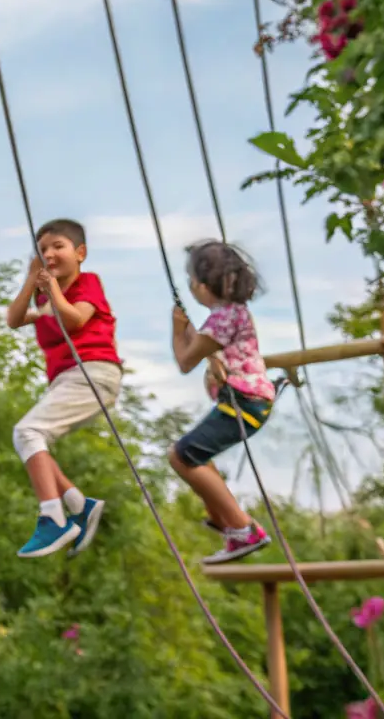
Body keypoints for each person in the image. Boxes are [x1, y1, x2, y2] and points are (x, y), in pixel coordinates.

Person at [5, 219, 123, 558]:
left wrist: (51, 289)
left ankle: (53, 517)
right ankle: (77, 504)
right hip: (70, 378)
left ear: (80, 253)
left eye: (58, 246)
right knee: (33, 439)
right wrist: (31, 280)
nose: (50, 254)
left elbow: (76, 319)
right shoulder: (44, 301)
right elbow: (13, 319)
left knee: (27, 432)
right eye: (43, 250)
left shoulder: (88, 283)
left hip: (92, 373)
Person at [169, 239, 275, 564]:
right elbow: (204, 349)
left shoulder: (222, 319)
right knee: (195, 454)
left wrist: (177, 330)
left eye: (191, 280)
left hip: (243, 403)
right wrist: (190, 331)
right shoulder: (230, 314)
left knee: (182, 455)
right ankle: (226, 521)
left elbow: (186, 360)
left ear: (203, 285)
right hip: (246, 402)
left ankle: (243, 527)